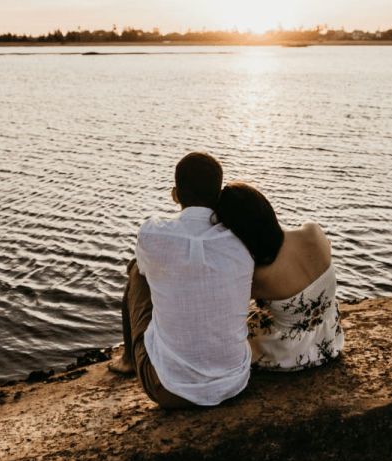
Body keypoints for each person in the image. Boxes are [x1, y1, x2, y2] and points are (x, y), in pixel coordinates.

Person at [109, 153, 253, 408]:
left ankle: (130, 360)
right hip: (234, 382)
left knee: (136, 271)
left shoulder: (153, 234)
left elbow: (146, 268)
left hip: (167, 389)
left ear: (175, 194)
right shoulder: (240, 240)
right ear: (218, 197)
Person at [215, 182, 344, 371]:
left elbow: (226, 310)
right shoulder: (313, 231)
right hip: (330, 338)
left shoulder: (259, 275)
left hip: (290, 353)